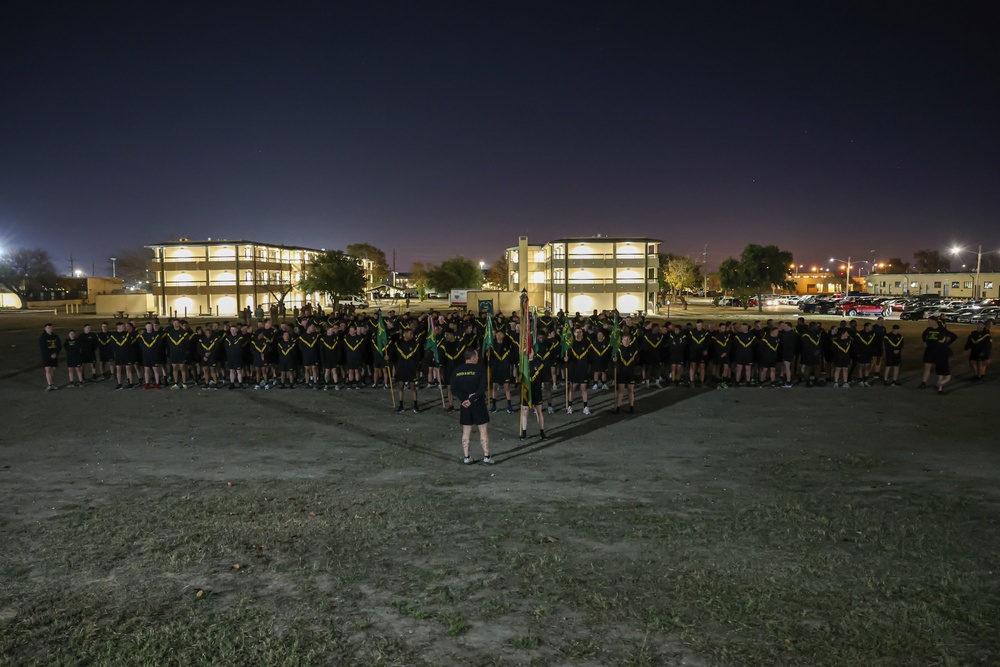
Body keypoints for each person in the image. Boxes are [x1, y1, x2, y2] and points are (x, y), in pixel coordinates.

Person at [450, 348, 492, 465]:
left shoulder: (457, 371)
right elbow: (482, 387)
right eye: (477, 356)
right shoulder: (479, 370)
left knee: (466, 430)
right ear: (473, 358)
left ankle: (466, 457)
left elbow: (454, 389)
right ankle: (486, 456)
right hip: (478, 403)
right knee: (483, 430)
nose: (478, 358)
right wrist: (472, 399)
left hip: (465, 405)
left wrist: (464, 399)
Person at [920, 317, 959, 394]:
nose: (928, 323)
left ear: (934, 321)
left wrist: (946, 344)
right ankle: (924, 382)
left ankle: (939, 385)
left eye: (930, 321)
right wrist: (925, 341)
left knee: (940, 367)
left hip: (938, 351)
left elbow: (954, 336)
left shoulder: (942, 329)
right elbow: (923, 335)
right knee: (927, 365)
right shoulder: (928, 329)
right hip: (929, 350)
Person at [520, 344, 547, 440]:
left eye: (531, 351)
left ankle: (542, 432)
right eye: (528, 351)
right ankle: (524, 432)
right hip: (526, 390)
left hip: (536, 390)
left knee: (538, 411)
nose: (529, 353)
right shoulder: (523, 364)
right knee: (525, 411)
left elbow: (543, 377)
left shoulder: (539, 364)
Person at [564, 327, 592, 415]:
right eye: (577, 332)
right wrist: (565, 359)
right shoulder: (570, 344)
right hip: (573, 369)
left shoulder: (586, 343)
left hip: (583, 368)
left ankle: (585, 407)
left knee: (583, 387)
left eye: (580, 332)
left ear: (582, 333)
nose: (578, 333)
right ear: (574, 333)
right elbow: (566, 356)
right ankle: (570, 406)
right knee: (572, 387)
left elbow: (590, 356)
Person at [612, 331, 640, 413]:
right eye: (624, 339)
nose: (626, 341)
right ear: (621, 340)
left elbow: (636, 361)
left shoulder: (634, 350)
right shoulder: (618, 349)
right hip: (621, 372)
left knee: (630, 390)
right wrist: (615, 360)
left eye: (627, 339)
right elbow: (615, 359)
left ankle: (631, 407)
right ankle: (618, 407)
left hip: (630, 372)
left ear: (630, 340)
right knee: (621, 390)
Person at [39, 323, 62, 390]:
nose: (50, 329)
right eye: (48, 328)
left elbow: (59, 346)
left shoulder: (55, 336)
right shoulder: (43, 337)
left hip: (54, 355)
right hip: (46, 356)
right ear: (45, 329)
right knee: (48, 369)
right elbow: (43, 348)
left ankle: (52, 384)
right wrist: (50, 354)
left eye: (51, 327)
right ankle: (50, 384)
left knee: (52, 370)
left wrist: (56, 353)